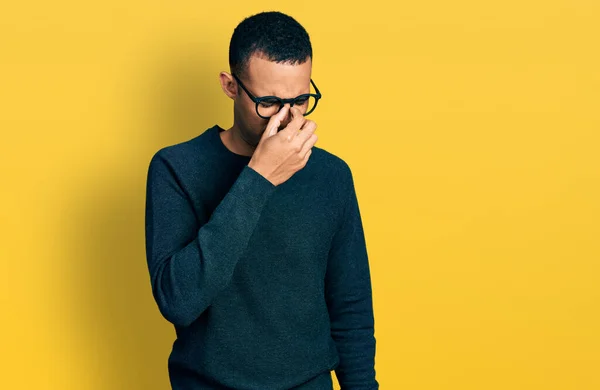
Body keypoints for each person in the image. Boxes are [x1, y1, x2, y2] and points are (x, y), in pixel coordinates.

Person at [144, 11, 379, 390]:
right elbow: (179, 301)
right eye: (268, 101)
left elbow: (350, 307)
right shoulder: (176, 168)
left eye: (300, 100)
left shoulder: (332, 175)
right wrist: (258, 178)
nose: (286, 119)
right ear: (231, 86)